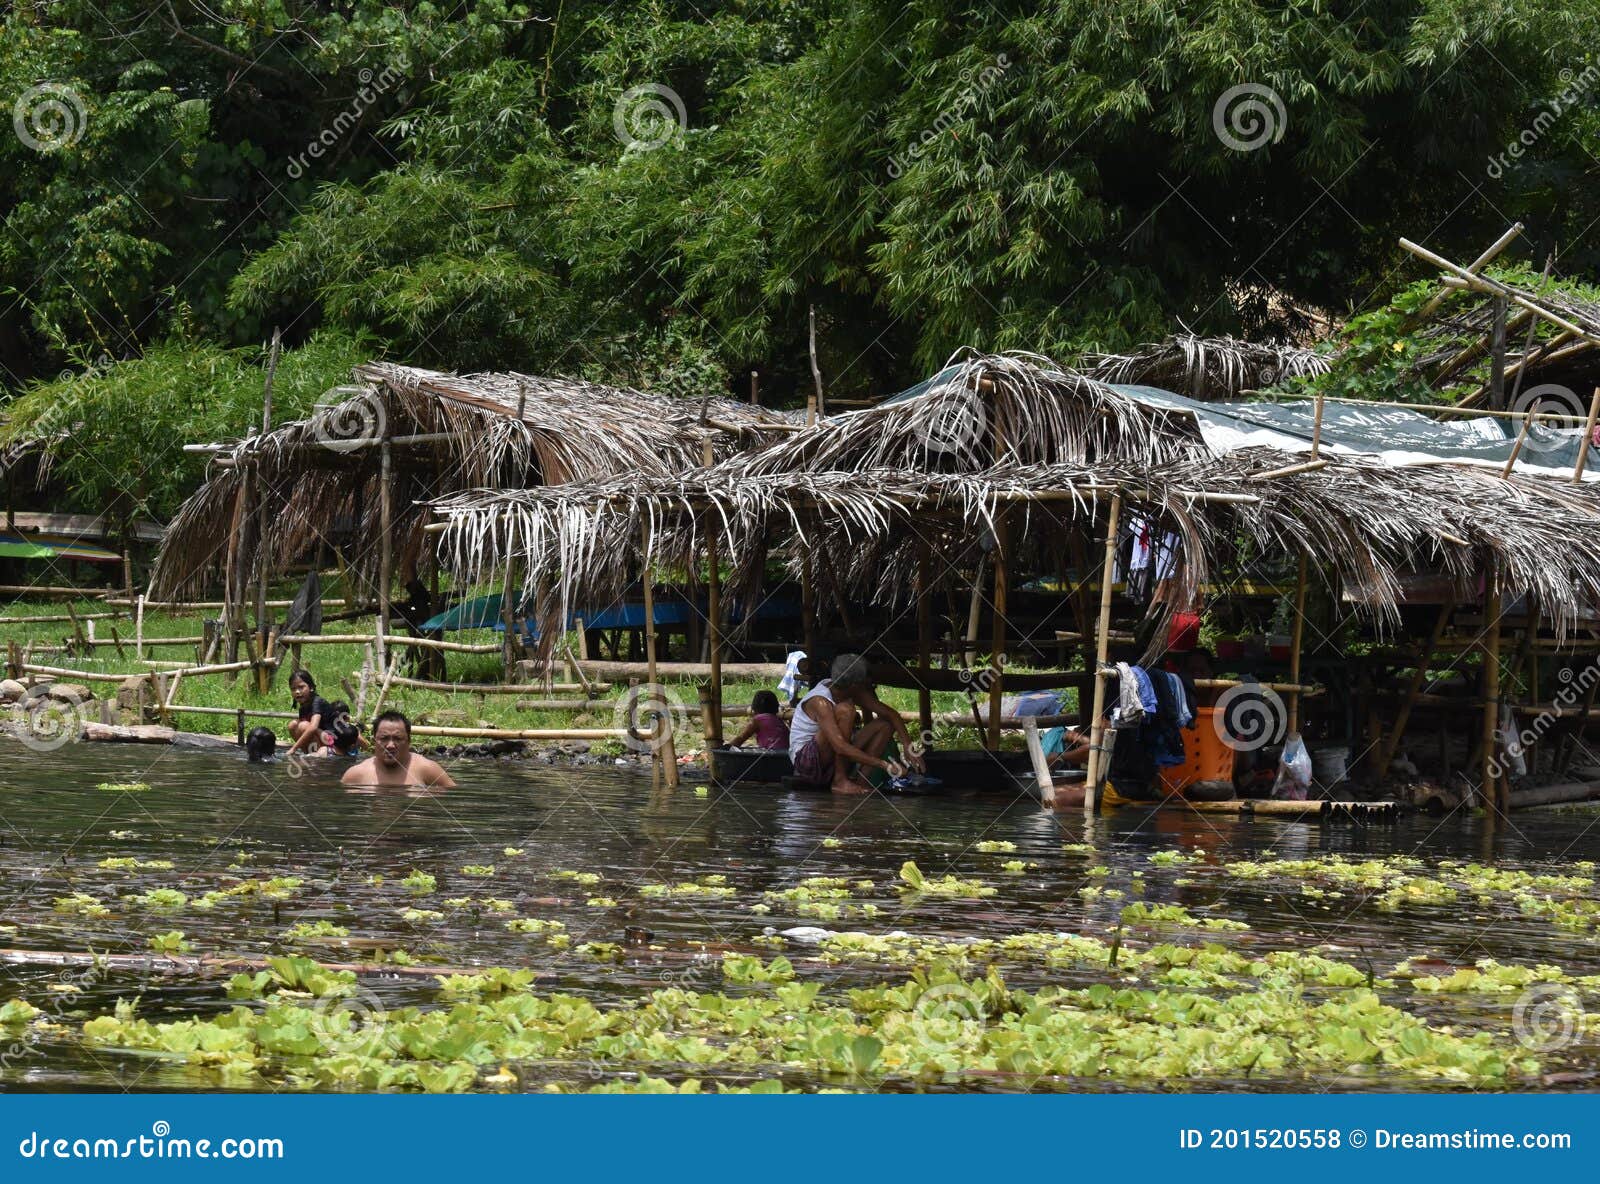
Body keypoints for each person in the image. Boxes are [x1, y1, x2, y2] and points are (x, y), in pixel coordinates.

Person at [789, 653, 923, 794]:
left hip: (833, 756)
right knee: (845, 710)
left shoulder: (851, 690)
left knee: (886, 724)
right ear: (855, 685)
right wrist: (884, 765)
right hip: (807, 763)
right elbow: (840, 747)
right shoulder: (820, 702)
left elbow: (891, 714)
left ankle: (861, 783)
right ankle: (840, 782)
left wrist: (909, 747)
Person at [341, 710, 456, 789]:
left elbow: (452, 799)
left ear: (408, 741)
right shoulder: (355, 775)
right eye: (384, 738)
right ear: (374, 741)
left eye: (397, 738)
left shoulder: (428, 769)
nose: (390, 745)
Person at [286, 670, 336, 756]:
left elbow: (313, 727)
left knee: (303, 725)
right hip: (321, 738)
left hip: (332, 741)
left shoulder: (317, 702)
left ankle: (318, 755)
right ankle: (308, 754)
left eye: (301, 687)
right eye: (293, 689)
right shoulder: (303, 706)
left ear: (311, 687)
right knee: (293, 724)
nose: (297, 692)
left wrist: (293, 748)